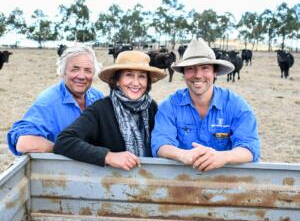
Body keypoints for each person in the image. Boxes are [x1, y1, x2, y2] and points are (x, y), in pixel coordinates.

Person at [151, 39, 260, 171]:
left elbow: (250, 147)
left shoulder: (236, 105)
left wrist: (223, 157)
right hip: (181, 180)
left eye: (205, 68)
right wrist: (183, 155)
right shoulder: (169, 106)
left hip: (226, 180)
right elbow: (160, 143)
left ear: (215, 72)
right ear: (184, 73)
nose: (198, 75)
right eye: (191, 69)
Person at [53, 50, 166, 171]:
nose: (136, 83)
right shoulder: (100, 110)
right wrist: (108, 156)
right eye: (129, 75)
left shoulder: (151, 107)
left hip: (147, 178)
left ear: (147, 82)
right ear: (117, 80)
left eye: (142, 76)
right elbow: (64, 141)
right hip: (110, 183)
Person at [7, 44, 104, 156]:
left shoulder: (97, 97)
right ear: (63, 72)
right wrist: (72, 150)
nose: (82, 76)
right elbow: (24, 143)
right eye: (75, 69)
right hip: (60, 170)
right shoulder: (49, 102)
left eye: (88, 70)